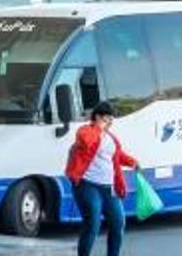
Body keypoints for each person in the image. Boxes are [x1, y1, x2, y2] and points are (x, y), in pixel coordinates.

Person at [64, 101, 139, 256]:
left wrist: (132, 162)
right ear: (97, 117)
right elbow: (87, 142)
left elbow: (117, 156)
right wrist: (98, 127)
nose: (110, 121)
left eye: (111, 118)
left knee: (118, 224)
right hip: (88, 185)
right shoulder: (85, 131)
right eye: (106, 118)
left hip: (108, 188)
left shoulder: (111, 137)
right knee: (92, 225)